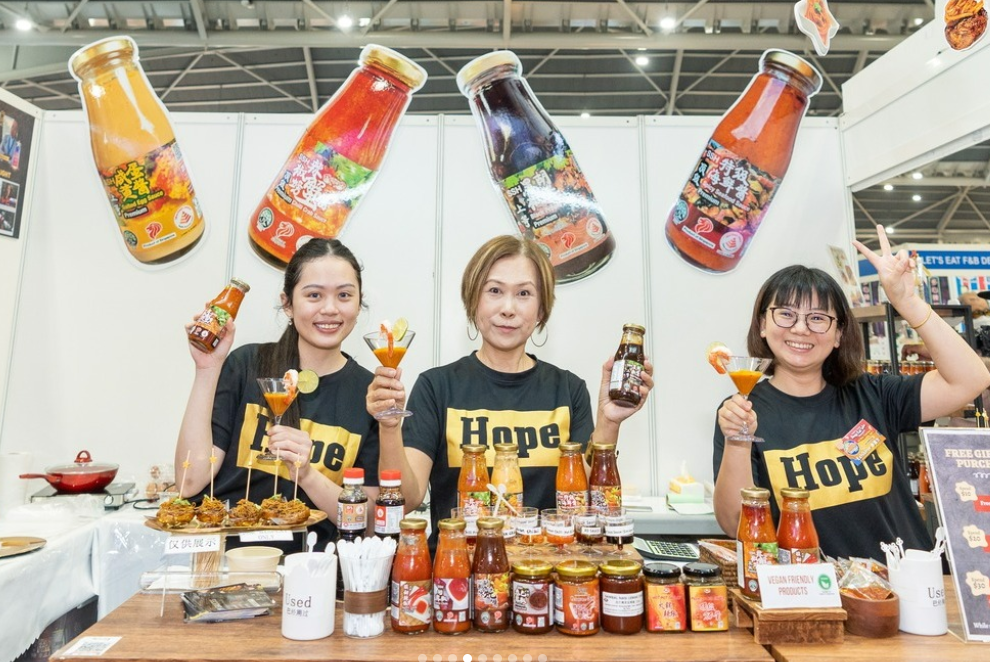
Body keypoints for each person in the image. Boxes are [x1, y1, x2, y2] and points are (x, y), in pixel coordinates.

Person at [713, 224, 990, 561]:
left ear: (839, 334)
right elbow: (735, 524)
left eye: (818, 318)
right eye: (785, 314)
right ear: (762, 324)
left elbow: (971, 380)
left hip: (905, 584)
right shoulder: (743, 412)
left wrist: (907, 302)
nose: (800, 328)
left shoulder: (874, 394)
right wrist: (738, 441)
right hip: (813, 589)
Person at [366, 234, 654, 538]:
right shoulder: (436, 387)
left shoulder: (568, 389)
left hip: (547, 562)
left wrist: (609, 422)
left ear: (541, 309)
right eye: (494, 291)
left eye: (524, 293)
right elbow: (407, 499)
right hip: (458, 562)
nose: (508, 308)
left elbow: (589, 504)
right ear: (473, 300)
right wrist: (389, 427)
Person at [175, 238, 380, 546]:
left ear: (358, 303)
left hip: (312, 565)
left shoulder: (369, 392)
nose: (330, 309)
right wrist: (207, 369)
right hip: (226, 561)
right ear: (288, 304)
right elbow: (189, 482)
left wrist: (307, 474)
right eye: (314, 295)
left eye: (344, 295)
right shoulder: (247, 364)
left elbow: (367, 521)